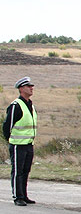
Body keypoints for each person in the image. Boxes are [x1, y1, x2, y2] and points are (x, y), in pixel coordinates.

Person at [3, 76, 38, 206]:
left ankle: (24, 195)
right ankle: (18, 196)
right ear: (21, 88)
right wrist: (11, 140)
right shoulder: (16, 106)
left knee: (25, 170)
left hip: (29, 144)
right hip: (18, 144)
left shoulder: (30, 105)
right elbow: (7, 126)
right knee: (17, 171)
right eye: (29, 86)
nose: (31, 88)